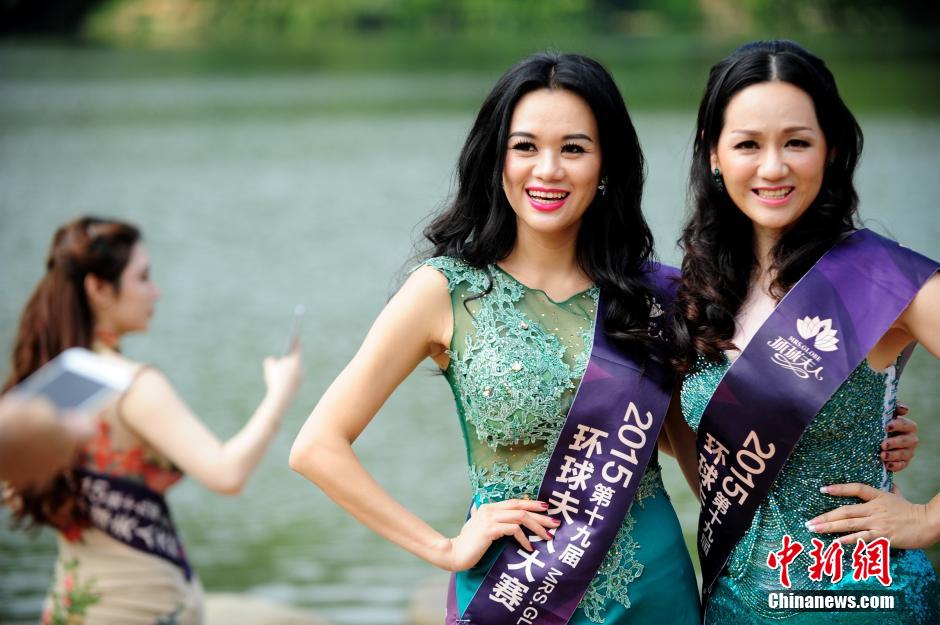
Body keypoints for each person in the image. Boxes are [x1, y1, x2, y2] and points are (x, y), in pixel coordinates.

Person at [290, 52, 702, 623]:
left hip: (653, 592)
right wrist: (443, 548)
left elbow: (701, 464)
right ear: (496, 157)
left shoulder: (655, 296)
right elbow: (316, 447)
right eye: (525, 146)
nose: (548, 170)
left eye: (574, 148)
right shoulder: (444, 290)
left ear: (606, 165)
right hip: (514, 592)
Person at [668, 39, 940, 623]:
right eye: (747, 144)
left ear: (832, 150)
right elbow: (678, 430)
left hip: (860, 602)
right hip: (734, 602)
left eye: (797, 142)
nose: (772, 167)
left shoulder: (883, 280)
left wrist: (928, 519)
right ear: (714, 155)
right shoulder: (702, 292)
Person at [2, 217, 303, 625]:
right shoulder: (134, 386)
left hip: (71, 605)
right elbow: (226, 473)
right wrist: (279, 393)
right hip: (137, 607)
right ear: (98, 289)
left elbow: (15, 494)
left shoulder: (44, 383)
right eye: (143, 278)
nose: (155, 292)